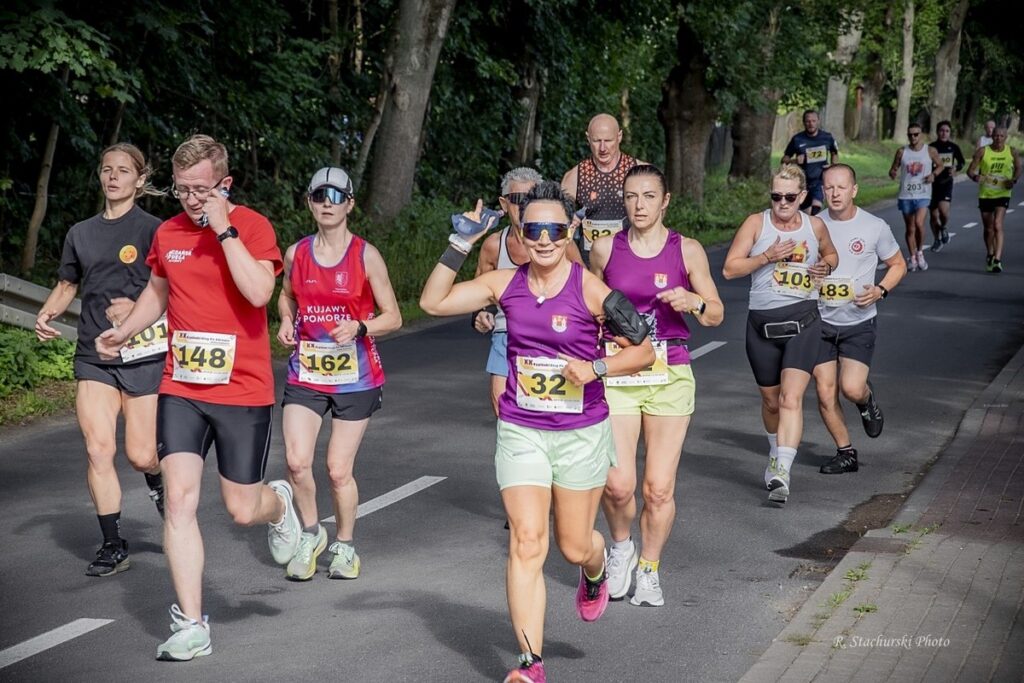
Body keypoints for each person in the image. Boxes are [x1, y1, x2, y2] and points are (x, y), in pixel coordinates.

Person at [420, 181, 655, 683]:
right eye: (534, 230)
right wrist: (460, 243)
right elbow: (433, 303)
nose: (544, 239)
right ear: (521, 233)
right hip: (521, 429)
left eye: (554, 229)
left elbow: (644, 350)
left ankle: (595, 567)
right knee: (527, 542)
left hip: (580, 433)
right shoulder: (505, 283)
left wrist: (596, 367)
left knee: (573, 546)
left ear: (569, 230)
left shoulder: (590, 289)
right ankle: (530, 664)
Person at [94, 134, 301, 661]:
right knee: (180, 501)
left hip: (242, 388)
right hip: (181, 387)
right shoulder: (168, 233)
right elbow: (157, 292)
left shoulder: (252, 226)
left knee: (241, 509)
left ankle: (279, 505)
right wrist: (125, 332)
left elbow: (259, 292)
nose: (191, 199)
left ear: (224, 184)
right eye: (183, 189)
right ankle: (191, 623)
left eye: (202, 190)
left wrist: (224, 227)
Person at [589, 164, 723, 607]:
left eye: (648, 196)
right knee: (617, 484)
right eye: (631, 196)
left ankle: (649, 568)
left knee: (658, 488)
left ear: (665, 201)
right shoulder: (605, 249)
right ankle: (621, 547)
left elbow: (716, 314)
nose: (639, 205)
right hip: (621, 372)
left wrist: (693, 301)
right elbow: (588, 306)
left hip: (670, 373)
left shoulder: (687, 250)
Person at [35, 143, 166, 577]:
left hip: (143, 354)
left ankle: (160, 483)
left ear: (140, 180)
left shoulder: (154, 230)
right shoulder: (81, 233)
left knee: (141, 455)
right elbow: (67, 284)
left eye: (123, 171)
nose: (113, 177)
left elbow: (171, 289)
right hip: (95, 354)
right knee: (97, 449)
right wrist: (47, 312)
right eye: (107, 169)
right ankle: (113, 544)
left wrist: (138, 309)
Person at [276, 167, 402, 581]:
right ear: (309, 203)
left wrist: (360, 327)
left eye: (335, 197)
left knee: (336, 469)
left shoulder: (366, 255)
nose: (327, 204)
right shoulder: (296, 254)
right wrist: (286, 320)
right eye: (319, 196)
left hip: (355, 377)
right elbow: (286, 297)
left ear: (350, 204)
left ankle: (345, 545)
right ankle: (312, 534)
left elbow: (394, 316)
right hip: (307, 372)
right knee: (296, 462)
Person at [722, 164, 838, 504]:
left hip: (804, 320)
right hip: (762, 325)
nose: (782, 203)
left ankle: (782, 471)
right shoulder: (756, 224)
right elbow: (729, 269)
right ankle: (776, 451)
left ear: (802, 196)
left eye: (789, 197)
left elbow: (831, 253)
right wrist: (766, 256)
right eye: (776, 196)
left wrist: (827, 265)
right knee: (771, 401)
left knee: (790, 398)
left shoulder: (814, 226)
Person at [813, 164, 907, 475]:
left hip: (858, 322)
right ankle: (846, 453)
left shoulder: (874, 226)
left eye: (841, 187)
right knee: (825, 393)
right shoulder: (813, 225)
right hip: (820, 322)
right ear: (822, 190)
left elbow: (898, 265)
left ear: (854, 190)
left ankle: (867, 401)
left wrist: (880, 290)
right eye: (829, 187)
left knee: (851, 389)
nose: (835, 193)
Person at [473, 168, 583, 415]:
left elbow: (585, 286)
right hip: (506, 332)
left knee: (553, 411)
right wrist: (479, 314)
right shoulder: (494, 246)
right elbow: (478, 292)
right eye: (517, 199)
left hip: (555, 333)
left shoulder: (561, 243)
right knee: (502, 407)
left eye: (530, 198)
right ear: (504, 204)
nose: (523, 206)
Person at [560, 114, 642, 264]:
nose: (603, 148)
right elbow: (562, 230)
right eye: (597, 141)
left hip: (631, 261)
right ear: (588, 138)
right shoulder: (574, 177)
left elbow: (657, 217)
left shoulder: (640, 171)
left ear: (619, 137)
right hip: (589, 262)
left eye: (608, 141)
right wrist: (580, 267)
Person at [888, 123, 944, 272]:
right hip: (906, 194)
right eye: (910, 135)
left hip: (923, 193)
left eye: (916, 134)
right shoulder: (902, 152)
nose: (913, 137)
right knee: (910, 227)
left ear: (921, 135)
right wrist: (893, 173)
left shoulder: (930, 151)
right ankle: (912, 257)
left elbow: (940, 165)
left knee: (919, 223)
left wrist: (933, 175)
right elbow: (893, 168)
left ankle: (920, 253)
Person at [967, 127, 1021, 273]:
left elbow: (1018, 168)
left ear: (1006, 137)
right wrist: (975, 177)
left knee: (997, 224)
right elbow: (970, 170)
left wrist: (1013, 180)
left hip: (1003, 193)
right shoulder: (983, 151)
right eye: (996, 136)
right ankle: (990, 254)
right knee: (988, 228)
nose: (998, 138)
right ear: (992, 137)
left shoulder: (1012, 151)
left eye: (1001, 136)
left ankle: (997, 260)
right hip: (986, 194)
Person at [782, 110, 839, 216]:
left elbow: (834, 153)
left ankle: (816, 221)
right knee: (805, 213)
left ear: (818, 121)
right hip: (802, 181)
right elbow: (784, 159)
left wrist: (832, 166)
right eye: (808, 121)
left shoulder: (827, 137)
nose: (811, 124)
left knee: (816, 207)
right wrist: (794, 161)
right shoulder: (797, 139)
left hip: (820, 179)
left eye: (813, 121)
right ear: (804, 122)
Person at [928, 121, 966, 252]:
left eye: (947, 131)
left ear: (949, 133)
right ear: (937, 132)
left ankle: (943, 227)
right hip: (931, 184)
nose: (944, 133)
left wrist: (956, 168)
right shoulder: (931, 147)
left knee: (943, 212)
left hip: (946, 182)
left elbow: (962, 162)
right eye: (941, 130)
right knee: (933, 216)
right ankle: (936, 240)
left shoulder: (953, 147)